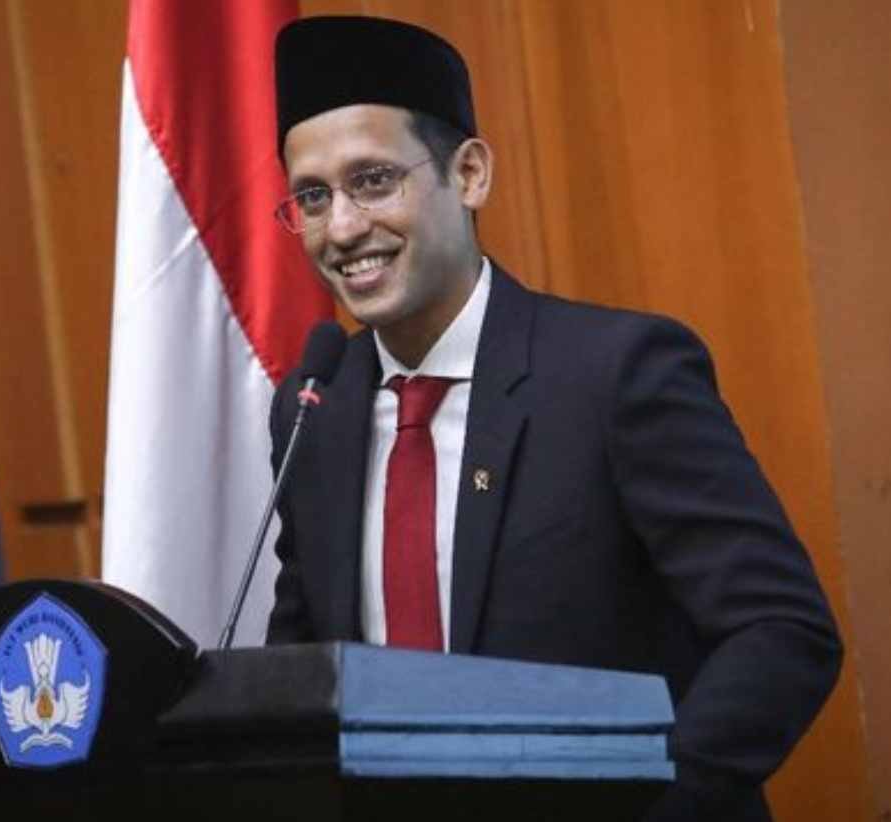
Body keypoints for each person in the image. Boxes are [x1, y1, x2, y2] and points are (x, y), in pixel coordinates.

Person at [264, 15, 841, 822]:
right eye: (313, 196)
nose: (344, 227)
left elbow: (781, 630)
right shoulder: (314, 407)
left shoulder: (615, 372)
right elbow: (300, 674)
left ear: (470, 174)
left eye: (374, 180)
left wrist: (657, 803)